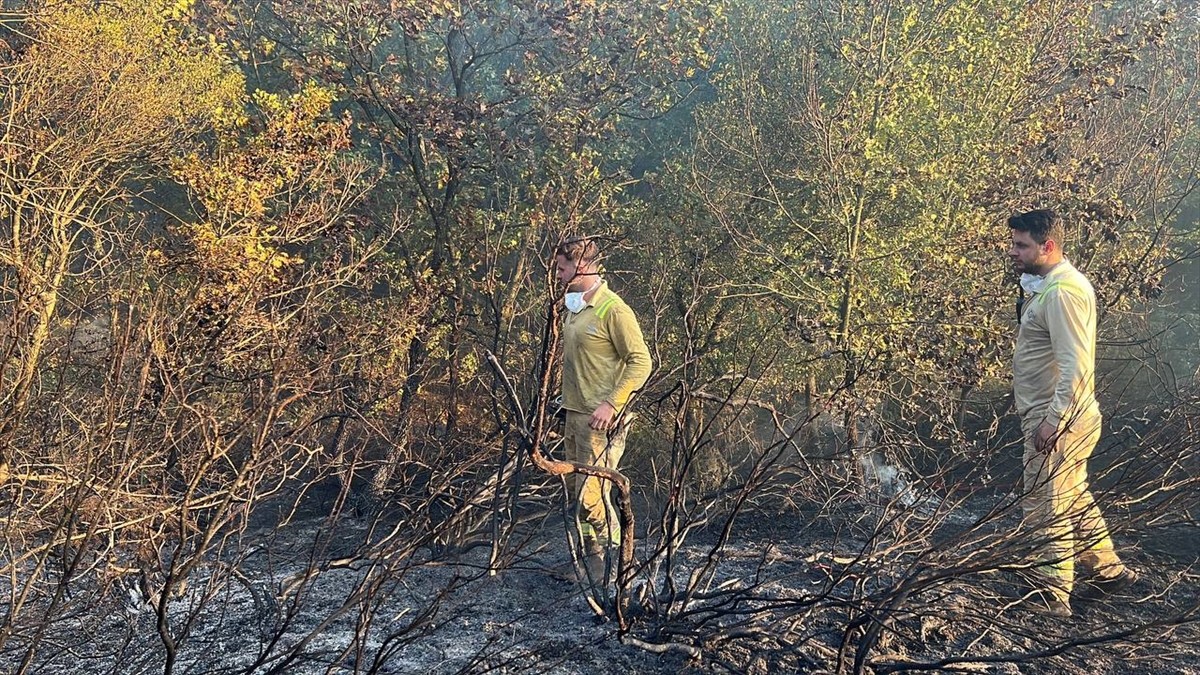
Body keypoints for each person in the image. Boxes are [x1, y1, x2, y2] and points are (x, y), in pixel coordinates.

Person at [1007, 209, 1137, 617]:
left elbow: (1076, 367)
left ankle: (1051, 597)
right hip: (1060, 415)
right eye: (1013, 243)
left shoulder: (1063, 292)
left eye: (1021, 245)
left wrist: (1052, 421)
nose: (1013, 252)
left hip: (1058, 418)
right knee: (1073, 496)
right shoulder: (1049, 286)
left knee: (1045, 505)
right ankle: (1109, 573)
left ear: (1048, 246)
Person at [553, 237, 651, 584]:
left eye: (563, 267)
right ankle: (590, 563)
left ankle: (617, 563)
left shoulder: (614, 309)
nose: (559, 273)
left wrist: (612, 403)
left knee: (591, 496)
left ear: (581, 265)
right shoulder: (575, 306)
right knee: (574, 492)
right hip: (574, 414)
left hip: (600, 421)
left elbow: (641, 362)